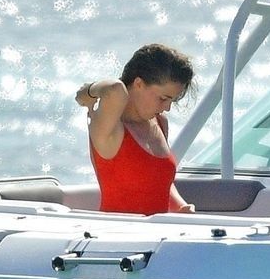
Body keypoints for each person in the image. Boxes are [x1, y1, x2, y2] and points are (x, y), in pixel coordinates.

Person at [76, 43, 197, 215]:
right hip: (118, 230)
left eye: (172, 100)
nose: (168, 108)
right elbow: (115, 89)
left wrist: (181, 206)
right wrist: (88, 92)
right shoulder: (111, 128)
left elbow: (160, 183)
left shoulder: (160, 123)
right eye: (163, 98)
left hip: (159, 231)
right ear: (138, 83)